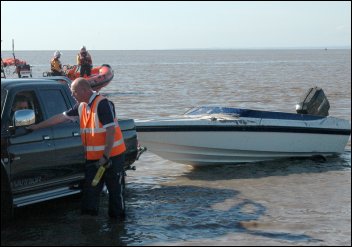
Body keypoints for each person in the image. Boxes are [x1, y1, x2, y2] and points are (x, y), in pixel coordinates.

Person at [27, 78, 127, 219]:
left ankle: (117, 227)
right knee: (90, 191)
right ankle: (89, 223)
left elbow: (110, 130)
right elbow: (60, 118)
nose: (72, 95)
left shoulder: (102, 103)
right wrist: (37, 127)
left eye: (74, 92)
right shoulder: (81, 106)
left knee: (115, 192)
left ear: (84, 90)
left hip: (112, 157)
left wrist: (105, 156)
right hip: (94, 159)